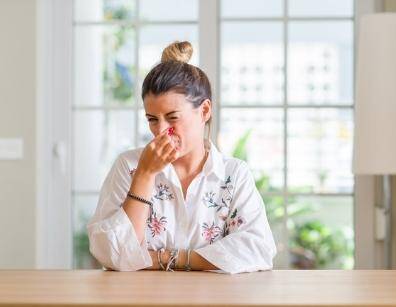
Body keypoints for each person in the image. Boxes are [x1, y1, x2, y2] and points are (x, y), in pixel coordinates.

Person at [87, 41, 276, 274]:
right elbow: (111, 255)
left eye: (172, 117)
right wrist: (145, 175)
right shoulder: (129, 166)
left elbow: (258, 249)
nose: (161, 131)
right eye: (152, 119)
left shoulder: (234, 174)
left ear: (204, 111)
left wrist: (168, 258)